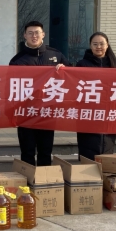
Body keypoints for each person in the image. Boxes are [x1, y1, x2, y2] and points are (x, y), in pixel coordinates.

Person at [9, 21, 70, 166]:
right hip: (26, 113)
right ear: (24, 35)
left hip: (47, 112)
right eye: (30, 33)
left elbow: (71, 78)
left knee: (45, 151)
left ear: (43, 34)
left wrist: (65, 70)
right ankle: (28, 178)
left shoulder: (56, 55)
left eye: (37, 32)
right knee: (27, 152)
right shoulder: (17, 60)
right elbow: (10, 86)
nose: (34, 36)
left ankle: (44, 179)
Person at [75, 32, 116, 161]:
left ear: (107, 45)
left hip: (108, 113)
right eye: (95, 44)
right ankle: (87, 172)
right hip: (88, 113)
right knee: (88, 147)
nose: (98, 47)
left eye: (101, 44)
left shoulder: (115, 65)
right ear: (90, 46)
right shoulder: (82, 65)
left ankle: (105, 171)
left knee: (107, 146)